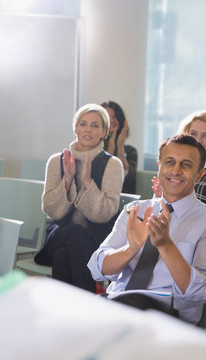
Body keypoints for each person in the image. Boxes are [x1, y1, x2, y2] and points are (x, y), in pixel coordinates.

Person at [88, 134, 206, 323]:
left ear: (199, 175)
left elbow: (200, 292)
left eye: (186, 165)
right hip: (117, 303)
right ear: (159, 166)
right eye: (169, 162)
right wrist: (131, 249)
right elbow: (98, 269)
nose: (176, 171)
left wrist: (165, 244)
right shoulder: (135, 210)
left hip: (168, 315)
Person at [35, 103, 123, 292]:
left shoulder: (113, 165)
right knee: (74, 233)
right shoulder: (56, 161)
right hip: (60, 234)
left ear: (104, 132)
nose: (88, 130)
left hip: (95, 240)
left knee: (62, 256)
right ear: (75, 128)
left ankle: (64, 312)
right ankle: (90, 305)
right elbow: (51, 209)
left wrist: (88, 183)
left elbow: (105, 214)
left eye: (95, 125)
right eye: (83, 124)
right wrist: (67, 180)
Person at [102, 101, 138, 194]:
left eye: (114, 117)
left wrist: (120, 145)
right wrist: (110, 148)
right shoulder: (93, 148)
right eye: (107, 116)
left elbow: (128, 180)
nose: (111, 120)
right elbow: (101, 176)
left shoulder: (130, 151)